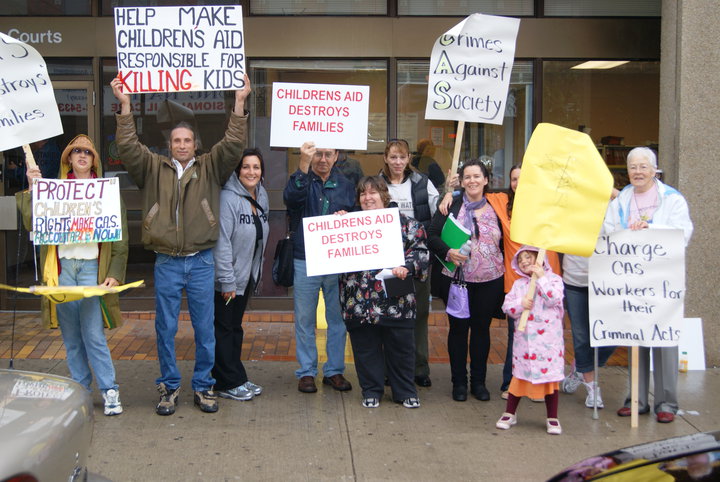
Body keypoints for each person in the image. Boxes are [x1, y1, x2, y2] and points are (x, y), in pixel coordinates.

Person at [111, 76, 252, 415]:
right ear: (169, 143)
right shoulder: (152, 168)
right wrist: (126, 106)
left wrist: (240, 101)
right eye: (177, 140)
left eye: (188, 140)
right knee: (166, 328)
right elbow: (129, 147)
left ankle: (203, 387)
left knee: (205, 329)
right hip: (167, 262)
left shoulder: (210, 167)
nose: (183, 144)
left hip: (202, 261)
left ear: (195, 143)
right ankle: (169, 387)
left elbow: (233, 143)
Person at [16, 135, 128, 416]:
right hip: (63, 267)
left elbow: (121, 237)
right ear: (68, 158)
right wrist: (33, 188)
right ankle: (80, 390)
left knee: (92, 332)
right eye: (76, 151)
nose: (81, 155)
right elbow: (32, 222)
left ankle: (109, 389)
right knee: (71, 335)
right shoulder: (53, 190)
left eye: (87, 152)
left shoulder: (106, 191)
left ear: (94, 160)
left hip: (92, 268)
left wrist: (114, 273)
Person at [441, 164, 562, 399]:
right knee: (508, 334)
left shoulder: (544, 208)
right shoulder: (500, 202)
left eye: (524, 179)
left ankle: (535, 384)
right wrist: (449, 192)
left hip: (529, 278)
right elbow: (465, 195)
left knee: (536, 332)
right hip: (495, 281)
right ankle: (503, 384)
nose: (519, 183)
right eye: (514, 179)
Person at [604, 147, 693, 423]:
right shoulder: (621, 201)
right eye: (633, 167)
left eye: (643, 167)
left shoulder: (672, 200)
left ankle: (667, 402)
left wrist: (650, 230)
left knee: (664, 339)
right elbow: (608, 230)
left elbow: (684, 232)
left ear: (654, 170)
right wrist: (624, 232)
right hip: (632, 281)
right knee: (636, 338)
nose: (638, 172)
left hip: (662, 282)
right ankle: (637, 399)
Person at [339, 176, 429, 408]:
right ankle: (371, 390)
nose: (368, 198)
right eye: (363, 194)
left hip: (395, 299)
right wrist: (337, 225)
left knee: (400, 349)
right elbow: (332, 250)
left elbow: (420, 253)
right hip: (359, 300)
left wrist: (407, 267)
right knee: (365, 349)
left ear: (384, 195)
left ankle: (405, 392)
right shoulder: (349, 224)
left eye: (373, 193)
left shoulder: (407, 224)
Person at [428, 159, 505, 402]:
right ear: (461, 182)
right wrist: (448, 252)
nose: (472, 180)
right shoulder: (450, 206)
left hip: (490, 280)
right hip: (457, 280)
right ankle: (459, 383)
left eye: (476, 176)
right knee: (458, 331)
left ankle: (478, 383)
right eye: (467, 177)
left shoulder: (498, 206)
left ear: (486, 181)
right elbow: (430, 236)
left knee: (481, 330)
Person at [283, 142, 356, 394]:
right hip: (305, 259)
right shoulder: (301, 180)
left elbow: (358, 221)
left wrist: (347, 220)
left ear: (336, 156)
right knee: (304, 319)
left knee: (337, 319)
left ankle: (334, 371)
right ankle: (306, 372)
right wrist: (302, 166)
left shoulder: (347, 185)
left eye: (328, 154)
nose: (323, 159)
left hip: (337, 261)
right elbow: (291, 199)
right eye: (318, 154)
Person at [379, 138, 439, 388]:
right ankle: (386, 368)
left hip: (417, 258)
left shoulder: (423, 183)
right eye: (393, 157)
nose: (397, 162)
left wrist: (450, 195)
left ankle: (419, 368)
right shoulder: (376, 184)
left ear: (408, 159)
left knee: (419, 314)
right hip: (386, 259)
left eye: (402, 157)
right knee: (387, 314)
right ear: (385, 158)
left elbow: (439, 212)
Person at [212, 148, 269, 402]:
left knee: (235, 328)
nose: (251, 172)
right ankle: (226, 382)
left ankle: (236, 376)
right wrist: (227, 280)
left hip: (245, 278)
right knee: (225, 329)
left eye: (256, 167)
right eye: (246, 167)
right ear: (238, 171)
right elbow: (221, 242)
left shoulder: (262, 196)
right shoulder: (228, 198)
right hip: (227, 280)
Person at [496, 245, 565, 435]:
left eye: (529, 257)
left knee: (550, 381)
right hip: (524, 344)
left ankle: (552, 417)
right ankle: (510, 413)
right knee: (519, 379)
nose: (525, 262)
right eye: (520, 259)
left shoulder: (554, 280)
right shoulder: (518, 285)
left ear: (539, 258)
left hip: (548, 344)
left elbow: (554, 299)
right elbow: (507, 307)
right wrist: (520, 303)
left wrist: (542, 279)